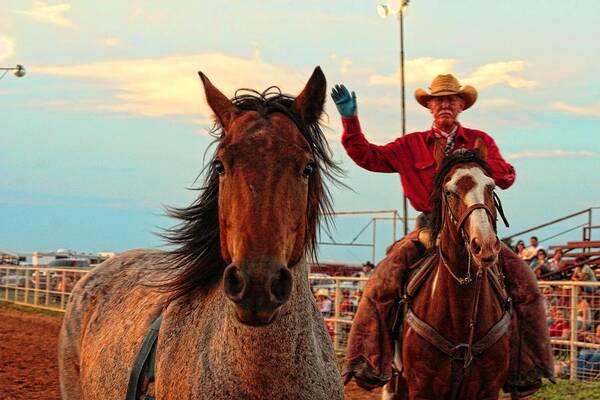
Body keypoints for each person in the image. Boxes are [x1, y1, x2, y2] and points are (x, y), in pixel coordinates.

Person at [331, 74, 552, 393]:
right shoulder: (411, 145)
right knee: (382, 282)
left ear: (462, 105)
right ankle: (369, 360)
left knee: (526, 282)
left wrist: (491, 172)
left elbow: (505, 176)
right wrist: (350, 121)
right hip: (428, 229)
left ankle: (527, 368)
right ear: (430, 106)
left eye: (452, 99)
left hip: (475, 223)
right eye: (439, 100)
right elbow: (368, 156)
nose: (445, 104)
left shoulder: (481, 141)